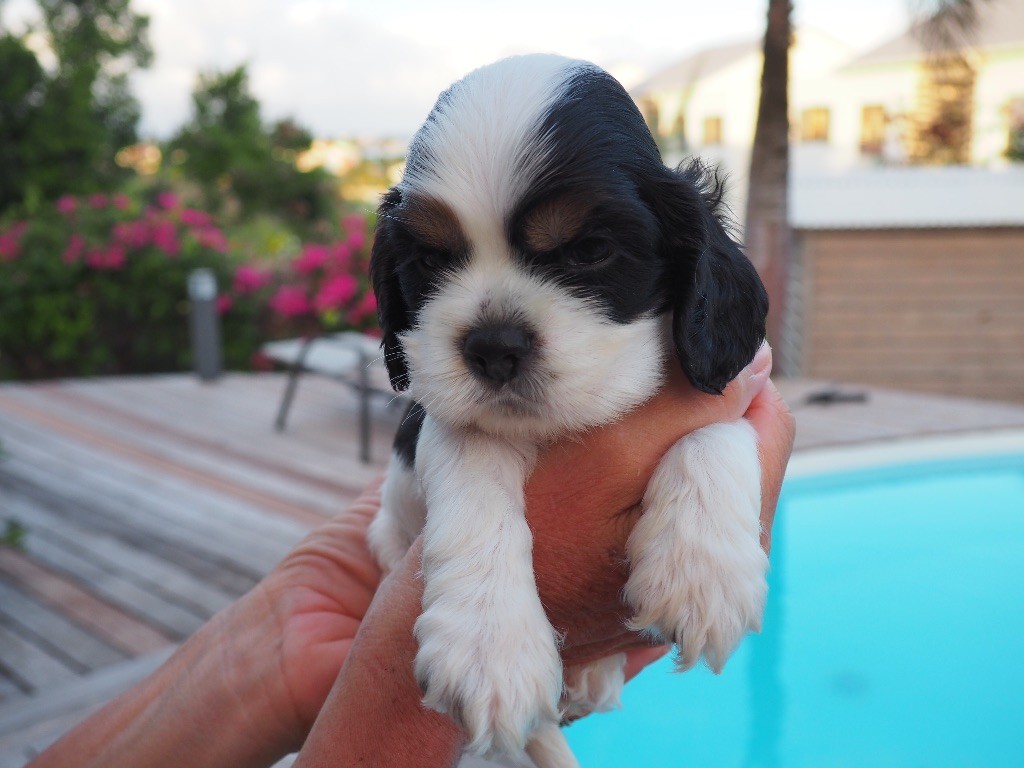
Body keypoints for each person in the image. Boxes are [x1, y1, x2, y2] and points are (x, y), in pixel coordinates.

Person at [31, 345, 793, 768]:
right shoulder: (453, 410)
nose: (496, 329)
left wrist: (708, 486)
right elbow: (454, 448)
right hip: (409, 536)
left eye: (587, 251)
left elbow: (727, 411)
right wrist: (400, 665)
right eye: (437, 260)